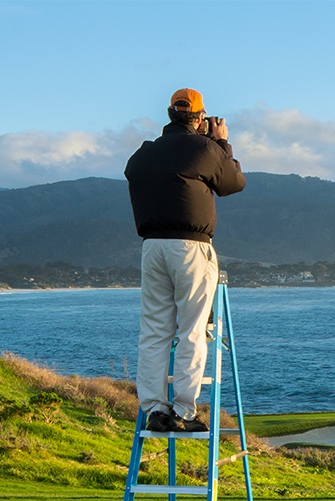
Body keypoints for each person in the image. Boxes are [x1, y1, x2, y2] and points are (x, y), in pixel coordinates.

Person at [125, 87, 246, 433]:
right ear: (200, 118)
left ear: (169, 114)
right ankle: (184, 411)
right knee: (192, 330)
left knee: (154, 332)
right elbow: (233, 182)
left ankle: (154, 409)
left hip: (152, 247)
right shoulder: (205, 148)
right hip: (190, 247)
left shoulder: (144, 153)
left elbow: (131, 171)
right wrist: (221, 143)